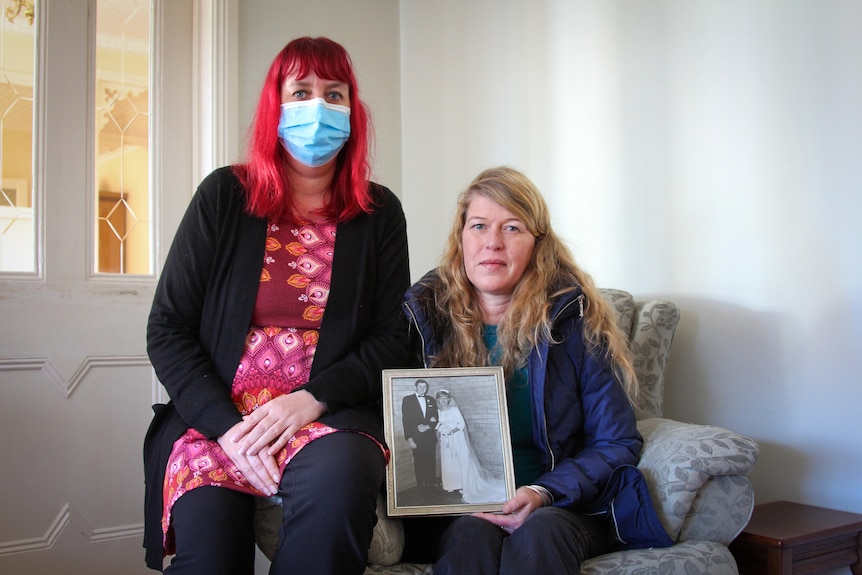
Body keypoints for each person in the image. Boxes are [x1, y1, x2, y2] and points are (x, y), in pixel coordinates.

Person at [143, 37, 412, 575]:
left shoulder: (380, 213)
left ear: (353, 111)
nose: (319, 108)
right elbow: (167, 328)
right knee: (210, 558)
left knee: (336, 500)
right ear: (276, 104)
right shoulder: (223, 196)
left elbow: (392, 337)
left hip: (325, 420)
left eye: (334, 95)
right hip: (217, 424)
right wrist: (228, 427)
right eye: (302, 91)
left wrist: (311, 399)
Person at [403, 166, 654, 574]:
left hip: (561, 507)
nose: (492, 243)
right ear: (461, 238)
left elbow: (618, 442)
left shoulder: (574, 321)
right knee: (471, 535)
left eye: (513, 228)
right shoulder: (422, 316)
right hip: (460, 509)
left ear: (538, 243)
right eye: (479, 225)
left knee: (540, 532)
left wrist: (542, 492)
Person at [434, 389, 507, 504]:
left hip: (457, 437)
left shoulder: (454, 410)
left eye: (445, 398)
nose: (443, 401)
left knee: (461, 460)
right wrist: (441, 430)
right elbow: (437, 424)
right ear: (437, 400)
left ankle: (464, 483)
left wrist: (451, 431)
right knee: (449, 461)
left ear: (448, 399)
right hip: (446, 441)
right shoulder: (437, 411)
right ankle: (452, 484)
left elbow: (461, 424)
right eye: (440, 398)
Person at [401, 378, 439, 489]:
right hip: (416, 438)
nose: (423, 389)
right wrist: (410, 439)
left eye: (425, 387)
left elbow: (435, 417)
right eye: (420, 387)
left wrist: (428, 425)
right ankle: (422, 487)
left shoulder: (431, 399)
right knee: (419, 462)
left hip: (430, 437)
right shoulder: (407, 400)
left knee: (431, 461)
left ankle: (432, 484)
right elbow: (406, 421)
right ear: (416, 387)